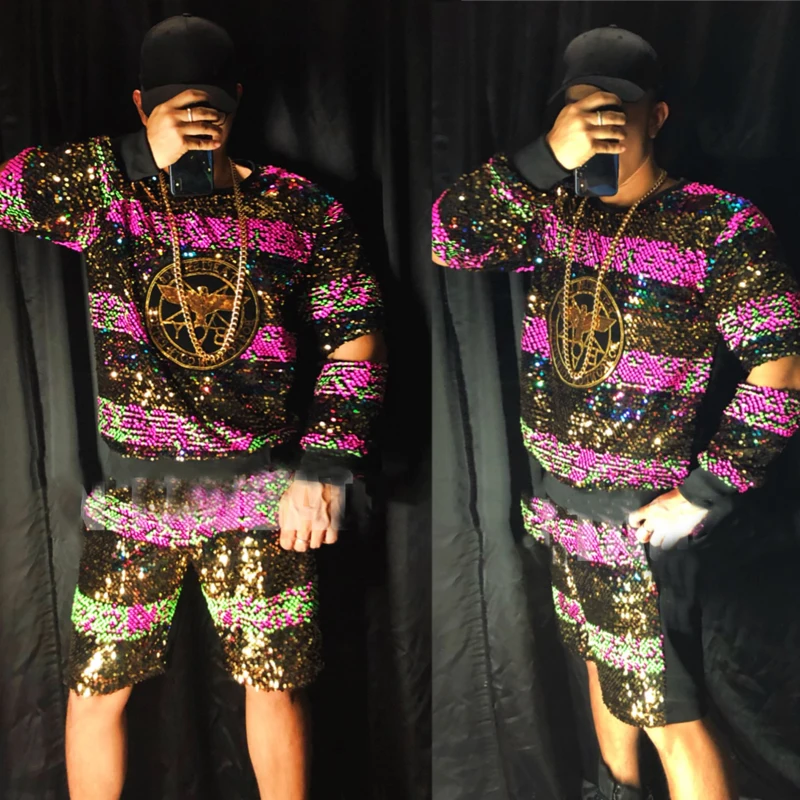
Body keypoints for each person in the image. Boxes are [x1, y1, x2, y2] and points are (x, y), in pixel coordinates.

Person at [0, 13, 388, 800]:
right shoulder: (110, 195)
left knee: (276, 682)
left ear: (236, 99)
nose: (194, 115)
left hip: (261, 486)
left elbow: (357, 334)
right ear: (142, 105)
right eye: (173, 102)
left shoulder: (296, 205)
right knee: (96, 685)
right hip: (137, 487)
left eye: (207, 101)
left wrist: (325, 465)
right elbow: (10, 191)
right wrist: (139, 153)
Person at [432, 25, 800, 800]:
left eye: (617, 109)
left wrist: (705, 492)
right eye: (581, 110)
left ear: (655, 117)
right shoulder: (547, 212)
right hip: (562, 502)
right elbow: (451, 237)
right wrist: (543, 159)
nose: (600, 126)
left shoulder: (717, 223)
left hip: (642, 513)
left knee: (668, 713)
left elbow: (782, 364)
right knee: (606, 669)